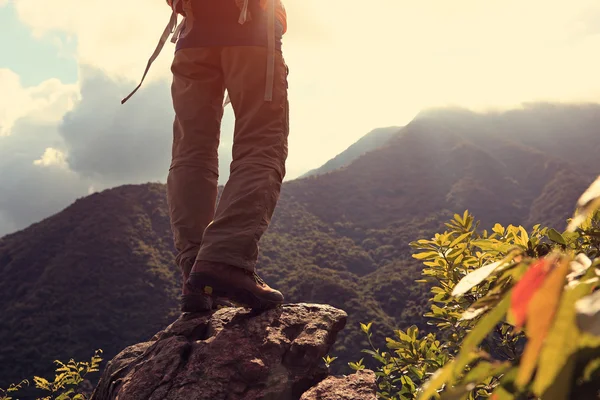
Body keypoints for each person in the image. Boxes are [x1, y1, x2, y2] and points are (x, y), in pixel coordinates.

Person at [165, 0, 290, 312]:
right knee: (261, 145)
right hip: (251, 30)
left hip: (193, 36)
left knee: (191, 152)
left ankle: (196, 272)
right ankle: (223, 260)